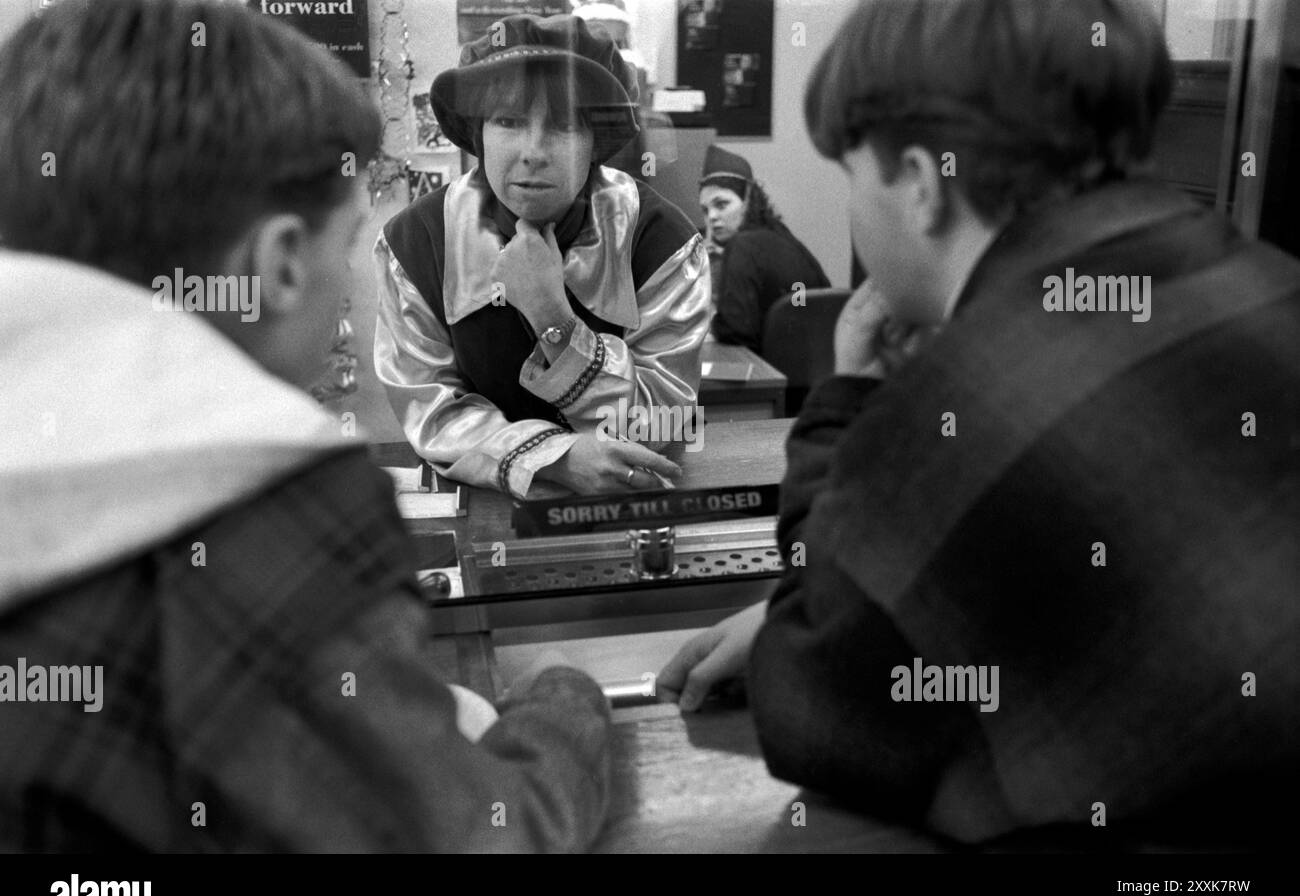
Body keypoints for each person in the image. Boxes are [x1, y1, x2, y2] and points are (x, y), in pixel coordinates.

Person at [661, 0, 1299, 849]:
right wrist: (862, 601)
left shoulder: (966, 396)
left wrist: (846, 404)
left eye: (854, 176)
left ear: (923, 183)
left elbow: (817, 708)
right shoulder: (1263, 275)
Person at [0, 0, 611, 852]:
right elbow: (478, 838)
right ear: (280, 261)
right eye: (345, 244)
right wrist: (568, 702)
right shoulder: (263, 514)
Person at [374, 14, 711, 499]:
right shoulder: (415, 245)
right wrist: (555, 457)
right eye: (508, 121)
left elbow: (662, 427)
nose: (533, 150)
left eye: (563, 124)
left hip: (630, 509)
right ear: (477, 132)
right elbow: (430, 409)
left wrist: (554, 318)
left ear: (596, 139)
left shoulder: (661, 242)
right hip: (485, 513)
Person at [698, 144, 830, 352]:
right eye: (706, 210)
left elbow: (735, 333)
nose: (712, 217)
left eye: (721, 204)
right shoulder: (786, 238)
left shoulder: (742, 246)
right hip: (814, 373)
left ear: (748, 201)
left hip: (770, 377)